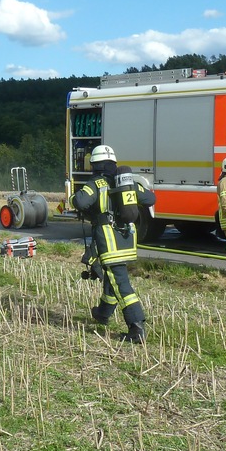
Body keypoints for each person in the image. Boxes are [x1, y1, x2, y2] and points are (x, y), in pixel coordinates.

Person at [73, 145, 155, 344]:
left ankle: (136, 326)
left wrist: (72, 197)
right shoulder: (128, 183)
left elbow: (80, 202)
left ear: (95, 165)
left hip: (109, 240)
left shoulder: (96, 183)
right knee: (112, 277)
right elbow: (151, 198)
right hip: (127, 238)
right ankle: (102, 313)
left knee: (120, 283)